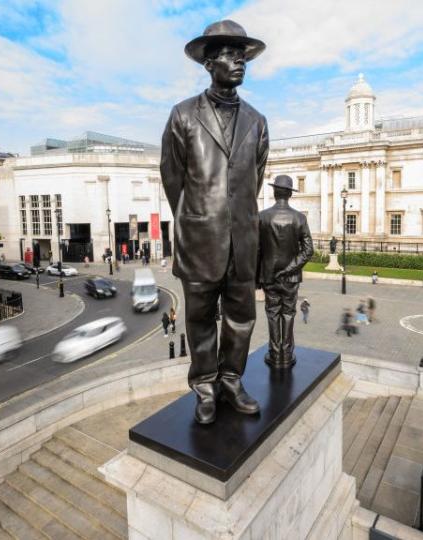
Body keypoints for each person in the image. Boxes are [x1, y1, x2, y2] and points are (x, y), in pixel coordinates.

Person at [160, 20, 268, 424]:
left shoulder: (257, 120)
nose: (239, 62)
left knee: (242, 318)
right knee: (200, 318)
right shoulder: (183, 115)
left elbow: (254, 180)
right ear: (209, 63)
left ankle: (231, 381)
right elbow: (173, 177)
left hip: (243, 241)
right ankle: (204, 386)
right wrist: (196, 218)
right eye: (229, 54)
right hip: (199, 239)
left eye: (242, 56)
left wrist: (235, 219)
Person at [256, 174, 314, 369]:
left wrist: (258, 277)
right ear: (290, 194)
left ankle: (274, 353)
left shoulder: (262, 217)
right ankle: (286, 354)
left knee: (272, 313)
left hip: (269, 276)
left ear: (274, 192)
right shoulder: (299, 218)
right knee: (288, 313)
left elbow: (256, 250)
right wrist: (290, 269)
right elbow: (308, 251)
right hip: (291, 278)